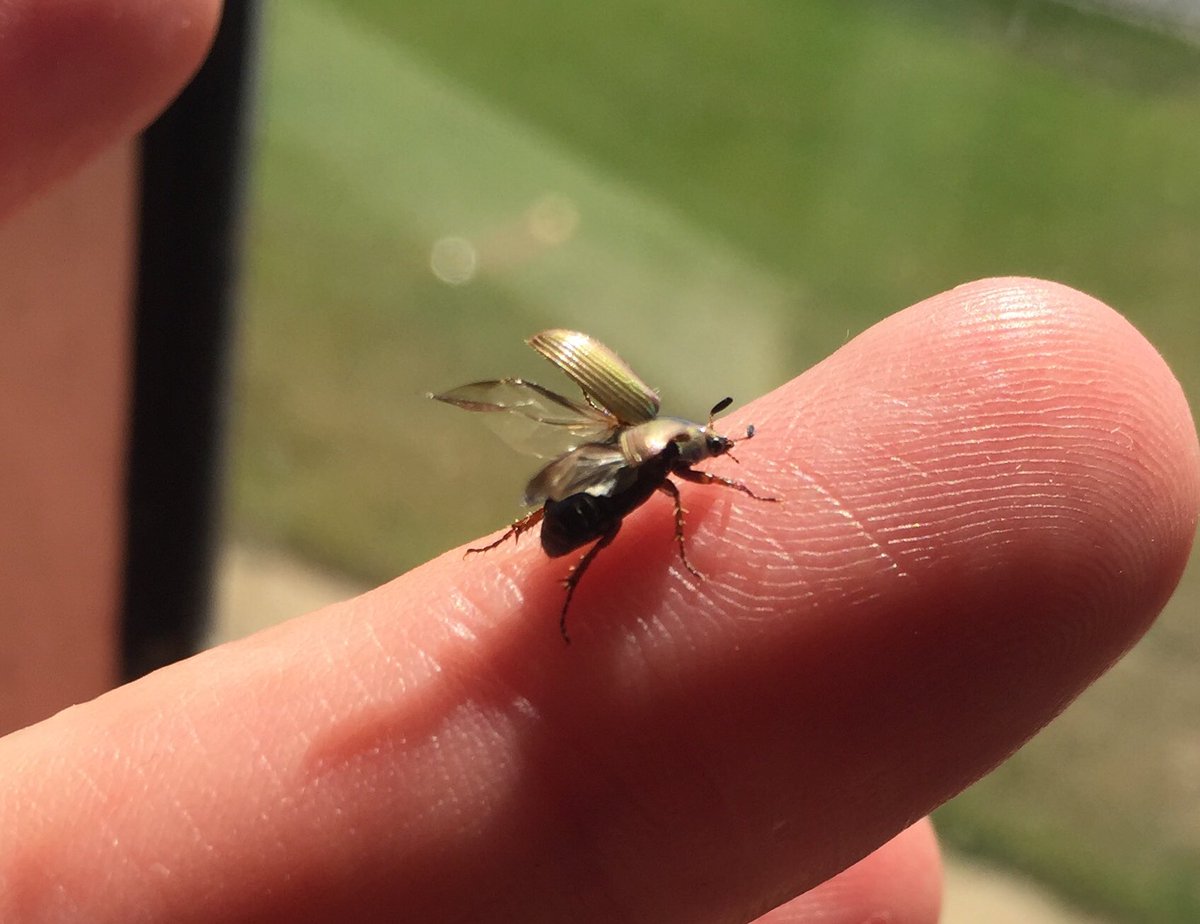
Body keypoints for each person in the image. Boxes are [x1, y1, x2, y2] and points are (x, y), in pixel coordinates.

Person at [1, 3, 1197, 921]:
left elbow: (622, 472)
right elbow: (636, 492)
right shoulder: (648, 462)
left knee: (579, 532)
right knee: (582, 540)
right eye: (707, 451)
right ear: (680, 450)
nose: (710, 459)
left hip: (578, 509)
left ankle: (545, 557)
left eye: (708, 451)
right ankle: (546, 563)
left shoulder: (641, 443)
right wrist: (664, 507)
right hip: (579, 522)